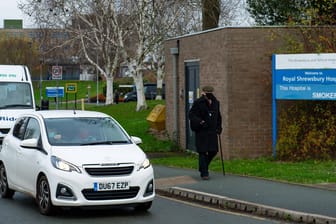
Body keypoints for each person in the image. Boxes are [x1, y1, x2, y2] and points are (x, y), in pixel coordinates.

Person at [188, 86, 222, 180]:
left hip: (212, 131)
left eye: (210, 92)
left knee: (213, 151)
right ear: (203, 93)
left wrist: (219, 127)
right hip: (202, 131)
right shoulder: (198, 102)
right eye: (207, 92)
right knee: (202, 151)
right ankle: (204, 173)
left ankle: (203, 167)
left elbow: (218, 116)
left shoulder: (216, 103)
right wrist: (200, 122)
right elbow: (191, 114)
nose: (209, 94)